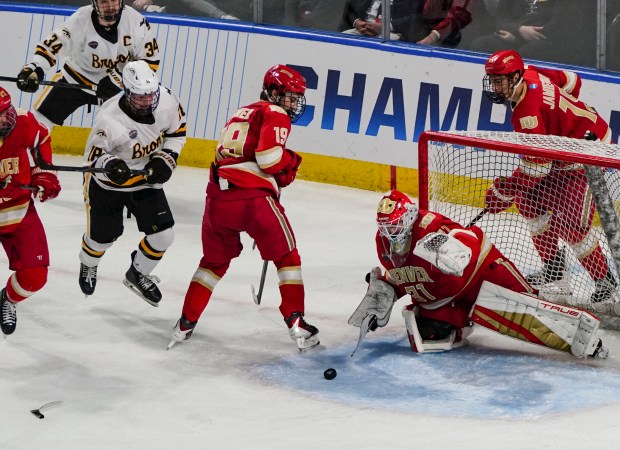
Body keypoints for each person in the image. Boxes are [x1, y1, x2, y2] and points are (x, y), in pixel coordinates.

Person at [348, 190, 608, 359]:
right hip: (442, 296)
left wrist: (454, 248)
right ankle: (464, 317)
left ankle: (586, 340)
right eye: (385, 225)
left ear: (409, 216)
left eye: (394, 224)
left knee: (528, 309)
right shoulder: (382, 243)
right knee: (427, 338)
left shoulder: (429, 226)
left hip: (482, 274)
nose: (390, 231)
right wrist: (385, 292)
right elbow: (402, 275)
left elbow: (468, 238)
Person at [168, 64, 319, 351]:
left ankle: (185, 323)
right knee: (287, 257)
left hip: (217, 200)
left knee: (212, 264)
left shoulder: (242, 113)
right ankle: (297, 322)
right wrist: (288, 162)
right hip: (252, 200)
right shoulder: (274, 113)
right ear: (273, 92)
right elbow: (268, 159)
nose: (293, 103)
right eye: (289, 96)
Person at [482, 49, 617, 304]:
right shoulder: (532, 71)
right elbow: (573, 81)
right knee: (529, 204)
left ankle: (606, 283)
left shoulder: (527, 115)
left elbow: (537, 169)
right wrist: (562, 118)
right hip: (561, 151)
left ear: (515, 76)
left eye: (499, 81)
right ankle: (555, 272)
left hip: (588, 151)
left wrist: (504, 191)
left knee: (573, 226)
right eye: (492, 80)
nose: (494, 86)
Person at [78, 60, 186, 306]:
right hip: (108, 186)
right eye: (139, 97)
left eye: (150, 95)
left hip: (145, 180)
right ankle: (88, 263)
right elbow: (92, 158)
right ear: (126, 92)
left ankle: (137, 273)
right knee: (102, 239)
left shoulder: (168, 100)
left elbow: (177, 133)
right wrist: (110, 165)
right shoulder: (109, 118)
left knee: (163, 237)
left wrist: (166, 158)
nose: (147, 101)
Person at [15, 0, 160, 130]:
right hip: (76, 77)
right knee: (37, 123)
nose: (110, 7)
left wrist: (120, 81)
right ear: (94, 3)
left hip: (117, 87)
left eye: (114, 1)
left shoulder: (137, 22)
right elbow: (52, 46)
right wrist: (35, 68)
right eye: (104, 2)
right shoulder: (80, 19)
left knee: (127, 132)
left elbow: (150, 62)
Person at [0, 86, 61, 336]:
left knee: (35, 277)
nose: (6, 119)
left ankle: (8, 300)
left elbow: (43, 139)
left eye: (6, 112)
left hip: (18, 211)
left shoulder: (24, 122)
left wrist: (44, 175)